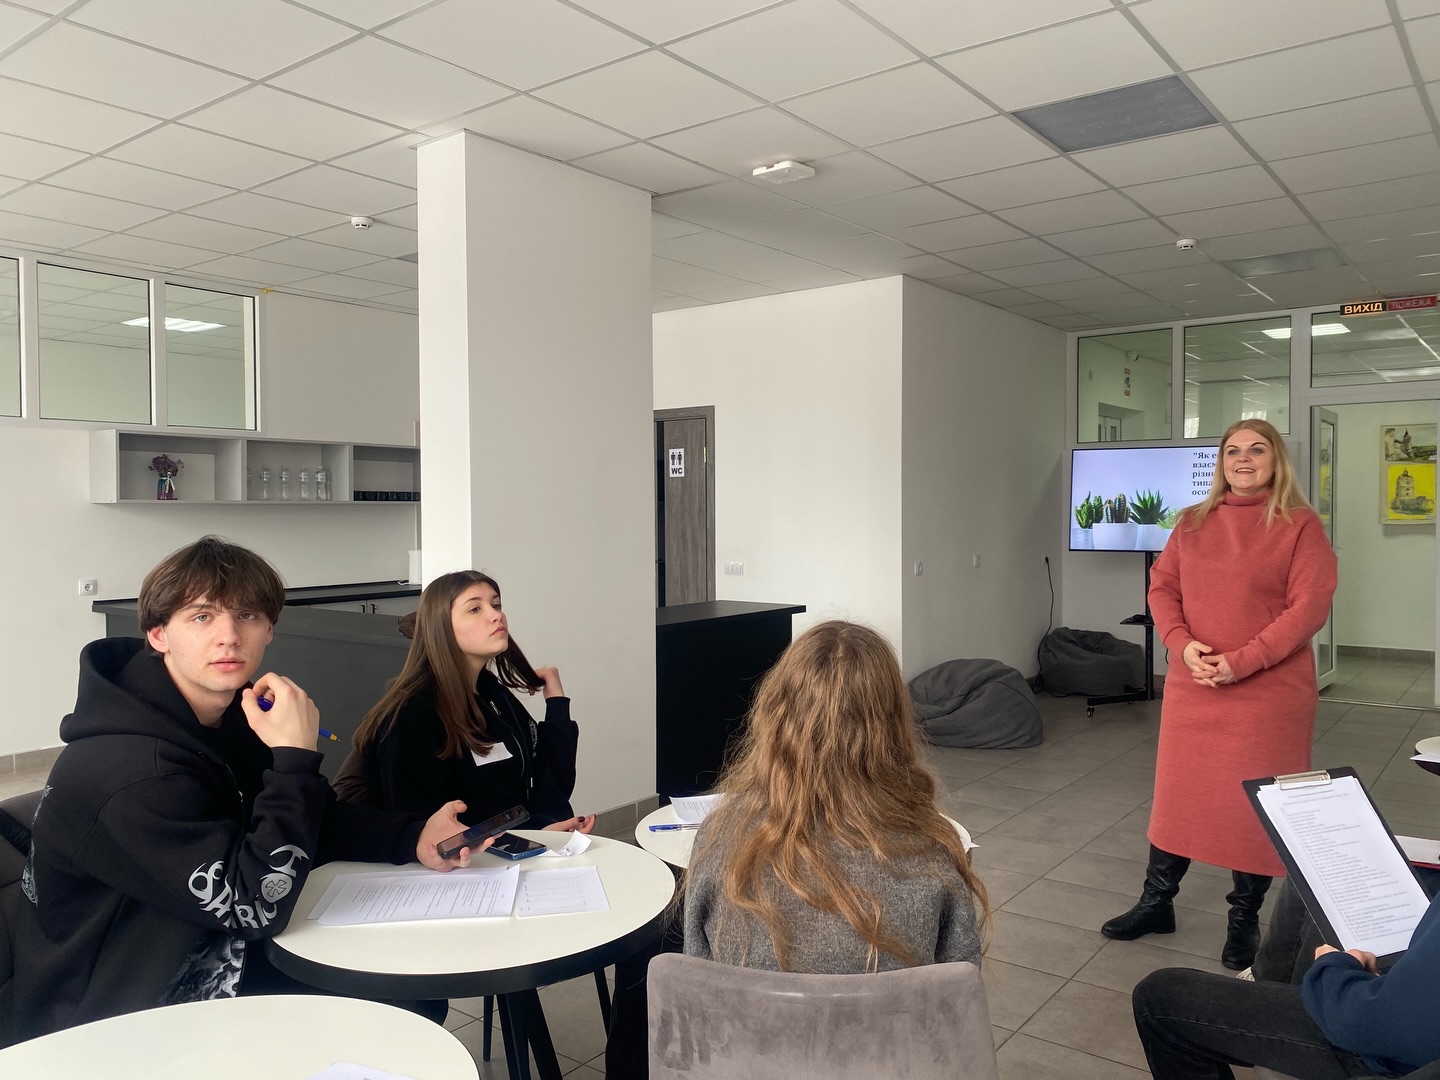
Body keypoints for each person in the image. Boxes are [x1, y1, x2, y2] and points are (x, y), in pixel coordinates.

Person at [14, 536, 478, 1041]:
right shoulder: (133, 770)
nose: (229, 636)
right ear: (158, 633)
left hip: (197, 942)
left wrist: (412, 836)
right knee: (401, 1009)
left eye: (247, 615)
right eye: (202, 617)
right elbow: (255, 907)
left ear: (269, 629)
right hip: (121, 1006)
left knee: (414, 991)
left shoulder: (230, 715)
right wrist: (294, 759)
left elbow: (315, 821)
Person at [1101, 419, 1337, 970]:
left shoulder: (1301, 526)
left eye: (1256, 449)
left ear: (1276, 460)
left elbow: (1308, 609)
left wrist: (1242, 662)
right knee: (1179, 798)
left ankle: (1243, 921)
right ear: (1222, 462)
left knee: (1251, 808)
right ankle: (1156, 903)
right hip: (1195, 687)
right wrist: (1181, 645)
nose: (1243, 459)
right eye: (1233, 451)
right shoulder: (1191, 522)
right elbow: (1162, 588)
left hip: (1267, 695)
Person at [684, 620, 989, 974]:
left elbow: (698, 980)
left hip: (743, 1014)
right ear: (891, 727)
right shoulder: (932, 855)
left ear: (776, 717)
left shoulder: (719, 840)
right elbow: (962, 989)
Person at [342, 569, 590, 834]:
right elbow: (427, 835)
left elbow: (551, 781)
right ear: (442, 628)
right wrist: (528, 839)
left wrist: (557, 705)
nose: (496, 615)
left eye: (496, 605)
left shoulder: (492, 693)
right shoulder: (412, 714)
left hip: (521, 843)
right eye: (475, 609)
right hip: (478, 856)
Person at [1133, 893, 1440, 1078]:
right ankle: (1264, 981)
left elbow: (1382, 1026)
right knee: (1308, 887)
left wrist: (1333, 969)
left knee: (1159, 997)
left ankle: (1269, 992)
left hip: (1394, 1055)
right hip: (1406, 1014)